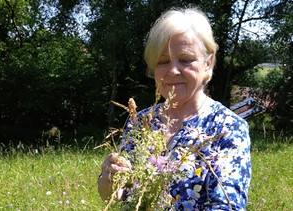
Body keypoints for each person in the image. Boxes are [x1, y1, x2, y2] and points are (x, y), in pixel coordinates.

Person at [98, 7, 252, 210]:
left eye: (186, 60)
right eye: (163, 61)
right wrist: (108, 182)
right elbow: (124, 195)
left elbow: (227, 206)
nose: (172, 70)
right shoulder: (141, 122)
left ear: (208, 63)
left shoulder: (227, 128)